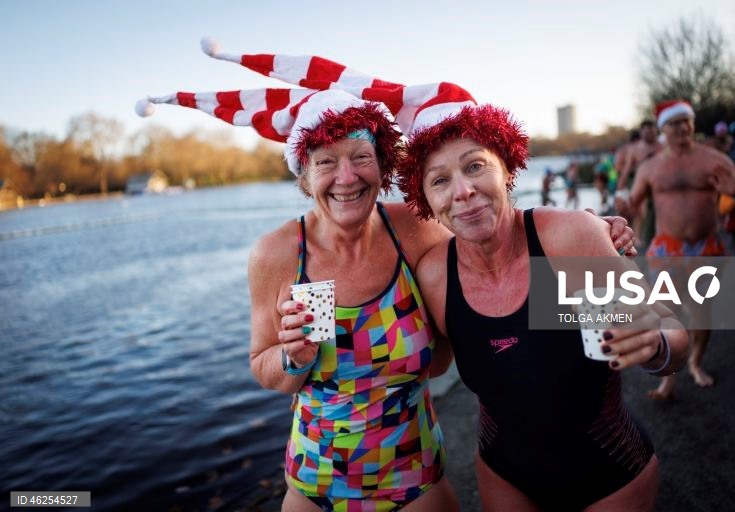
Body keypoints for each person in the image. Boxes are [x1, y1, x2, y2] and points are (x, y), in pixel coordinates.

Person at [136, 42, 637, 511]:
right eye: (326, 163)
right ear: (304, 177)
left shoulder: (414, 232)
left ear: (382, 166)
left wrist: (587, 232)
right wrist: (292, 357)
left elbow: (489, 227)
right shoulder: (277, 254)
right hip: (314, 482)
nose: (346, 177)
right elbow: (263, 365)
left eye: (360, 157)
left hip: (414, 476)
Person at [394, 87, 689, 512]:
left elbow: (673, 335)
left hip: (610, 472)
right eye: (440, 180)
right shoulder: (435, 275)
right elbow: (430, 361)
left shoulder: (566, 239)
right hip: (504, 476)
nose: (462, 191)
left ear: (507, 171)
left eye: (475, 166)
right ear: (427, 200)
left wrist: (655, 345)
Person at [628, 100, 735, 400]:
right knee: (668, 313)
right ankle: (669, 379)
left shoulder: (713, 159)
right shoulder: (650, 167)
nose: (682, 127)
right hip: (667, 247)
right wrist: (620, 215)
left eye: (687, 121)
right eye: (675, 123)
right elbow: (632, 202)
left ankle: (695, 363)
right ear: (662, 129)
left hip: (705, 247)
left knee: (700, 311)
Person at [616, 120, 663, 250]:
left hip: (660, 186)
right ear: (642, 132)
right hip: (640, 184)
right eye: (646, 130)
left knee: (658, 213)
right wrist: (620, 188)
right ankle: (641, 238)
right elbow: (625, 169)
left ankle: (655, 237)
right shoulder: (635, 149)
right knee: (640, 211)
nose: (650, 133)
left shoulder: (663, 146)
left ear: (656, 131)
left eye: (652, 130)